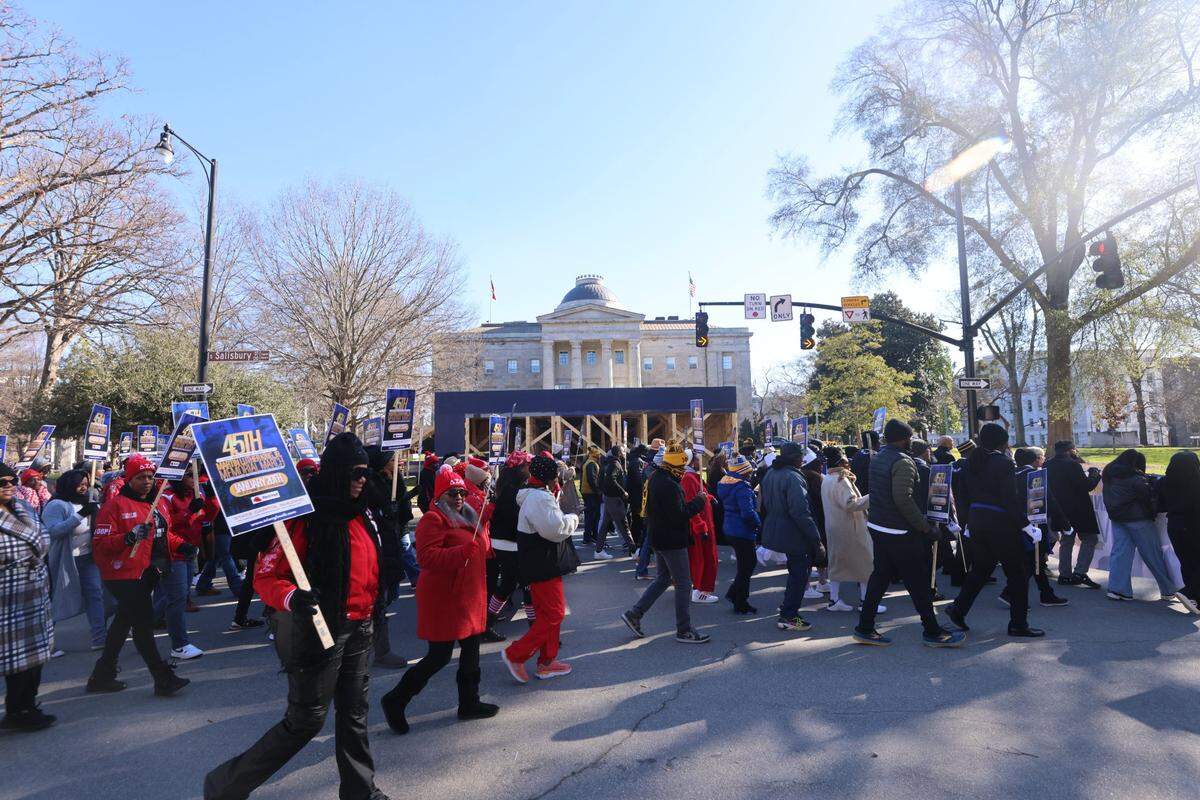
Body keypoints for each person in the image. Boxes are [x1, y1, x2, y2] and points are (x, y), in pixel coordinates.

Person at [204, 433, 390, 800]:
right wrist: (293, 597)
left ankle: (360, 791)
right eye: (354, 473)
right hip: (319, 631)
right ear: (336, 472)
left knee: (354, 713)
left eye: (365, 473)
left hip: (360, 624)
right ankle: (224, 785)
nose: (362, 480)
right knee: (306, 720)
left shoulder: (361, 510)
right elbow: (266, 576)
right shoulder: (305, 516)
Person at [379, 466, 497, 737]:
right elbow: (427, 558)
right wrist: (460, 552)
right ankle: (396, 700)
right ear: (441, 495)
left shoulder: (466, 513)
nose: (459, 497)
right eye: (453, 493)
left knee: (471, 650)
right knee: (439, 656)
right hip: (445, 598)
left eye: (462, 492)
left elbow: (479, 528)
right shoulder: (433, 519)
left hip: (468, 597)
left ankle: (469, 702)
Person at [88, 454, 193, 696]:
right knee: (143, 626)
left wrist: (181, 545)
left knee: (123, 623)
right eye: (140, 477)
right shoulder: (114, 506)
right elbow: (101, 545)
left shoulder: (157, 503)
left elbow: (161, 535)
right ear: (129, 479)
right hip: (122, 575)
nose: (147, 481)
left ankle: (101, 675)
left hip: (147, 573)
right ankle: (163, 677)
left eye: (149, 476)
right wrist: (128, 537)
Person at [855, 420, 963, 648]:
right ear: (905, 439)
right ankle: (932, 631)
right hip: (899, 530)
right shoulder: (903, 461)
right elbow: (903, 499)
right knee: (918, 582)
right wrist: (925, 526)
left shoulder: (879, 457)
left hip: (879, 526)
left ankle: (865, 627)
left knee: (880, 577)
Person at [944, 422, 1044, 638]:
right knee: (1017, 575)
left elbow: (964, 494)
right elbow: (1009, 498)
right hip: (1000, 523)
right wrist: (1026, 526)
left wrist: (968, 522)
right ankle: (1018, 624)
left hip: (977, 520)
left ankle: (958, 609)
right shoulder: (1003, 463)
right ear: (1002, 441)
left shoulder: (971, 461)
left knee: (981, 569)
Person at [620, 441, 710, 643]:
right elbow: (679, 515)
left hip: (658, 537)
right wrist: (699, 501)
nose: (683, 469)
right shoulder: (669, 484)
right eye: (682, 465)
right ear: (675, 466)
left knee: (663, 579)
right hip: (671, 540)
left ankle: (635, 614)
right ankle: (684, 630)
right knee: (684, 584)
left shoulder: (656, 477)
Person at [501, 453, 579, 682]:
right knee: (554, 613)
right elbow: (555, 530)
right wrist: (573, 516)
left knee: (548, 614)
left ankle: (547, 661)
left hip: (541, 563)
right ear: (550, 476)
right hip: (542, 564)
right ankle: (516, 654)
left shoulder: (537, 494)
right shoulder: (539, 498)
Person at [1101, 449, 1196, 612]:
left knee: (1120, 553)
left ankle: (1117, 589)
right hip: (1138, 520)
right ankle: (1168, 590)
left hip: (1117, 518)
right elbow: (1149, 497)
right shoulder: (1136, 479)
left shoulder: (1109, 475)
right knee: (1152, 554)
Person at [0, 461, 55, 732]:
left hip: (33, 593)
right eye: (2, 482)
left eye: (12, 480)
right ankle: (17, 709)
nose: (9, 486)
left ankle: (26, 705)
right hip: (6, 598)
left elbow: (42, 538)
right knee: (13, 660)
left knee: (33, 658)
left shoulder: (24, 508)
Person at [760, 443, 826, 632]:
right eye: (800, 456)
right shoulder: (793, 476)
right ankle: (789, 616)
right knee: (799, 575)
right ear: (793, 458)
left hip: (778, 528)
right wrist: (816, 540)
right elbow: (800, 512)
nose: (803, 459)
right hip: (794, 532)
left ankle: (788, 610)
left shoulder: (772, 472)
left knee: (795, 574)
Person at [43, 469, 106, 648]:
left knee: (95, 596)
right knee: (57, 598)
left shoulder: (89, 502)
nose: (83, 488)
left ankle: (99, 638)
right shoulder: (57, 505)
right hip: (65, 560)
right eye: (80, 485)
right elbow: (54, 531)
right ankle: (46, 643)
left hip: (87, 559)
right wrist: (81, 515)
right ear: (69, 484)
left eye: (86, 485)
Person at [364, 444, 415, 668]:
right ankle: (378, 650)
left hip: (391, 541)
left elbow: (404, 513)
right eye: (392, 460)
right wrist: (385, 509)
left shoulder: (396, 482)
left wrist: (399, 507)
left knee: (387, 597)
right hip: (377, 550)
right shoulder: (368, 486)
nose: (397, 463)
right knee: (377, 603)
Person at [1007, 447, 1069, 608]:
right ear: (1033, 460)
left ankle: (1046, 594)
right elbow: (1049, 500)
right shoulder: (1034, 475)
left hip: (1015, 522)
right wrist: (1064, 524)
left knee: (1036, 561)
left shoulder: (1011, 474)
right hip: (1034, 522)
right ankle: (1009, 593)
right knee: (1033, 561)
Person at [820, 446, 877, 613]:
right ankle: (866, 602)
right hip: (851, 526)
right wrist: (872, 496)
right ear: (842, 462)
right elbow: (851, 504)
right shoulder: (841, 480)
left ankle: (834, 599)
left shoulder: (827, 478)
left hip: (834, 526)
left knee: (837, 564)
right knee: (866, 564)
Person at [158, 473, 206, 659]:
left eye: (195, 474)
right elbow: (164, 525)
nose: (194, 478)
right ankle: (179, 645)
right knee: (177, 598)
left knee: (179, 594)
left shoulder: (197, 494)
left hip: (190, 549)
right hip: (173, 552)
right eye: (188, 475)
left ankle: (141, 618)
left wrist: (208, 500)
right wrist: (188, 512)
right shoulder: (167, 496)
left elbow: (204, 518)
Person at [486, 451, 531, 642]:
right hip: (510, 543)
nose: (530, 469)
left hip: (504, 542)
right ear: (520, 469)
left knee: (507, 585)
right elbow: (516, 518)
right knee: (528, 586)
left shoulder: (508, 487)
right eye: (527, 466)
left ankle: (486, 624)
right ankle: (537, 630)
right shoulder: (514, 491)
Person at [1045, 440, 1102, 588]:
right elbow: (1087, 485)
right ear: (1069, 450)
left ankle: (1064, 574)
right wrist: (1094, 474)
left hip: (1060, 509)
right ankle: (1080, 572)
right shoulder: (1072, 465)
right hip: (1079, 509)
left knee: (1066, 540)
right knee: (1090, 539)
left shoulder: (1048, 464)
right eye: (1074, 449)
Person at [718, 455, 760, 614]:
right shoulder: (742, 487)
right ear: (743, 472)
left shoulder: (725, 482)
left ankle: (734, 594)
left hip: (730, 528)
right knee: (747, 567)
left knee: (745, 565)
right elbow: (748, 513)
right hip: (742, 530)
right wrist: (758, 523)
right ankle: (740, 601)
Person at [1159, 451, 1200, 602]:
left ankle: (1194, 598)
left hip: (1174, 525)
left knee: (1187, 562)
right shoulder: (1196, 481)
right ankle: (1189, 592)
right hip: (1193, 525)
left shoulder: (1164, 481)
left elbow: (1161, 504)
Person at [683, 450, 719, 603]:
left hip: (704, 524)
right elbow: (690, 503)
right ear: (692, 462)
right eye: (698, 460)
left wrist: (710, 498)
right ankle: (700, 591)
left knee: (705, 558)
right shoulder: (689, 478)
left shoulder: (692, 477)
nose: (700, 463)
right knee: (702, 560)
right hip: (701, 527)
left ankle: (700, 590)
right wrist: (700, 527)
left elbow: (700, 495)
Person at [595, 444, 632, 559]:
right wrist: (623, 492)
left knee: (605, 524)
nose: (624, 453)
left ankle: (598, 550)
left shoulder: (606, 462)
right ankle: (634, 550)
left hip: (608, 497)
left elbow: (601, 479)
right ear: (619, 453)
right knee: (623, 525)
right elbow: (611, 479)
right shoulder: (615, 464)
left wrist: (603, 491)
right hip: (614, 498)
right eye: (622, 451)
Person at [580, 446, 603, 547]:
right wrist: (598, 491)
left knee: (591, 516)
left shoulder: (588, 462)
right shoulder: (591, 464)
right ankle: (589, 537)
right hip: (591, 493)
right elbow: (592, 479)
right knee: (592, 516)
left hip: (587, 492)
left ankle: (590, 537)